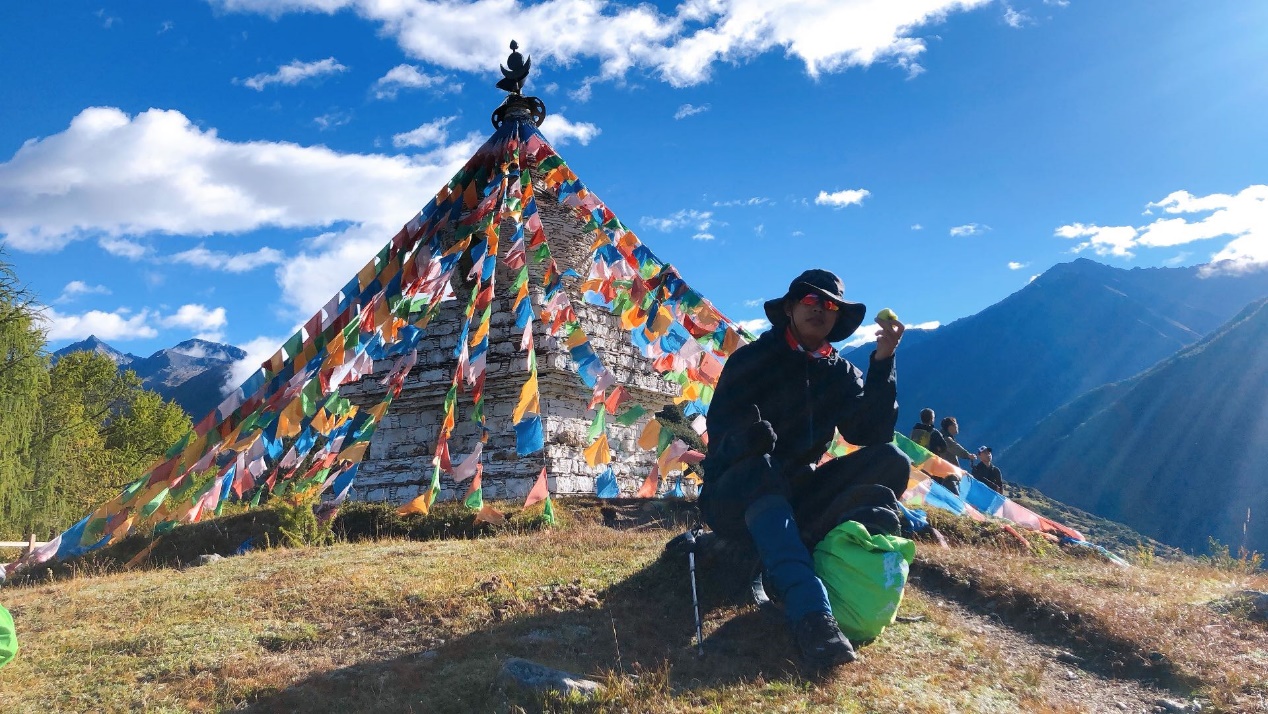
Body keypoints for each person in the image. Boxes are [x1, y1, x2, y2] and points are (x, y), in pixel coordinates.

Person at [699, 268, 910, 670]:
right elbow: (720, 435)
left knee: (892, 461)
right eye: (811, 301)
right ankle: (812, 613)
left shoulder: (841, 372)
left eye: (830, 305)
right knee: (763, 469)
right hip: (737, 492)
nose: (821, 310)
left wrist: (884, 361)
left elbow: (871, 431)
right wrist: (748, 442)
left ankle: (813, 553)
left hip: (798, 493)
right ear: (791, 308)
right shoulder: (753, 359)